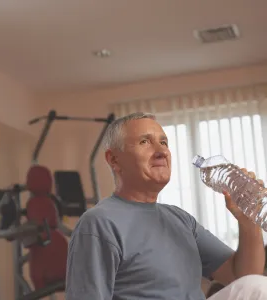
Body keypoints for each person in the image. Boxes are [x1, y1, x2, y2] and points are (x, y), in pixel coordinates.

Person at [65, 112, 267, 300]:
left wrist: (248, 220)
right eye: (145, 142)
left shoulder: (180, 219)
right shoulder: (99, 223)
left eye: (164, 142)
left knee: (258, 287)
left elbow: (242, 277)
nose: (161, 151)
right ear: (114, 160)